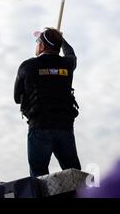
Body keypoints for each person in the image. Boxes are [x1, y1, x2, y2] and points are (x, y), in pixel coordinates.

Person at [14, 28, 81, 177]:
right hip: (65, 127)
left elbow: (17, 97)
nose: (36, 45)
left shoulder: (27, 66)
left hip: (39, 126)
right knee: (74, 175)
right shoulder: (67, 64)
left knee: (38, 177)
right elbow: (71, 54)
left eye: (38, 41)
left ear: (43, 46)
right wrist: (61, 39)